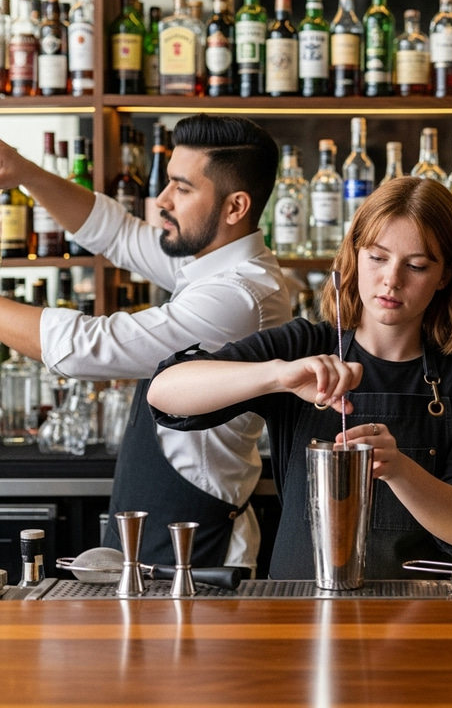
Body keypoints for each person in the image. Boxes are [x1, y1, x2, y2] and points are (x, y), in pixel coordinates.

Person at [147, 177, 452, 580]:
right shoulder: (304, 345)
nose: (392, 280)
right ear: (354, 255)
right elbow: (165, 392)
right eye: (377, 258)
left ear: (444, 275)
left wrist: (399, 468)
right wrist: (277, 376)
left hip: (415, 613)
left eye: (416, 265)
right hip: (299, 603)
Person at [0, 114, 292, 573]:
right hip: (161, 530)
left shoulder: (238, 296)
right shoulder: (210, 264)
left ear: (235, 207)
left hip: (198, 547)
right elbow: (116, 233)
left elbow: (84, 346)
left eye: (182, 187)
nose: (161, 201)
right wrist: (24, 173)